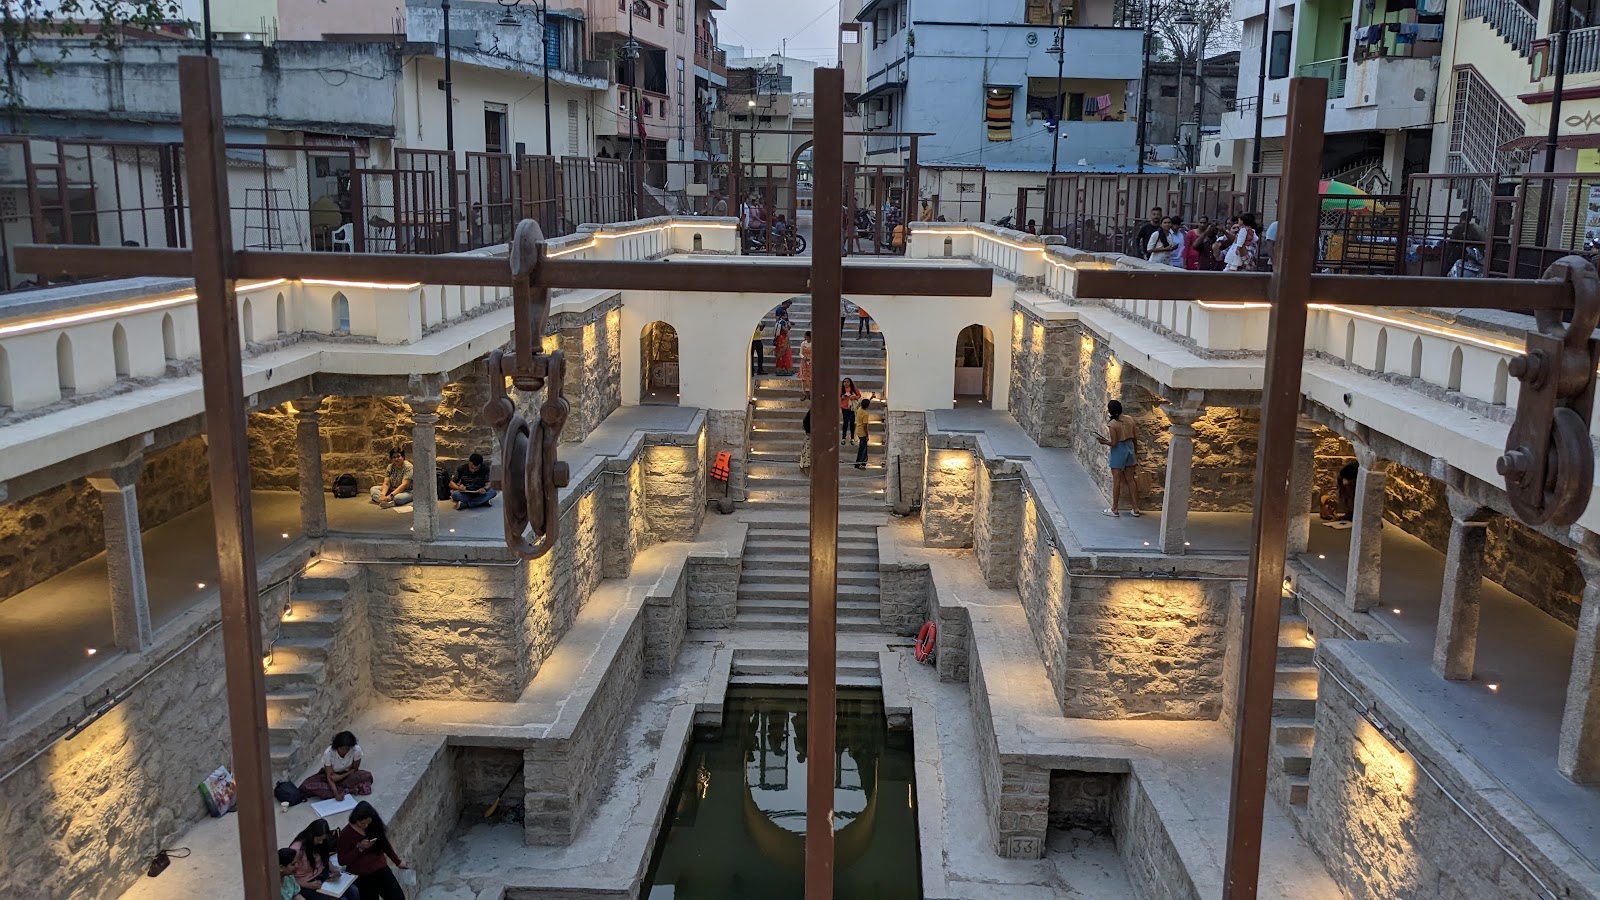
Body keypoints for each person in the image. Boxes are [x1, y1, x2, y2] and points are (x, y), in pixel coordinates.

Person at [337, 801, 410, 900]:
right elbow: (342, 860)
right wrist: (359, 849)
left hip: (380, 869)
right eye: (362, 823)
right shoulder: (346, 834)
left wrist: (398, 862)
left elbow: (385, 844)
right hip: (362, 875)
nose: (365, 826)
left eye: (368, 822)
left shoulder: (373, 826)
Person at [288, 819, 357, 899]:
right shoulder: (296, 849)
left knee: (353, 890)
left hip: (323, 875)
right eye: (318, 840)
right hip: (305, 882)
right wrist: (308, 885)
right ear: (311, 836)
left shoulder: (321, 843)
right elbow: (288, 877)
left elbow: (325, 858)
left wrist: (333, 870)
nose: (321, 842)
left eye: (323, 840)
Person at [1094, 399, 1141, 517]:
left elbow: (1114, 443)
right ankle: (1135, 508)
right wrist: (1135, 451)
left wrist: (1104, 442)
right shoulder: (1129, 419)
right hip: (1130, 448)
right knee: (1131, 480)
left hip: (1119, 451)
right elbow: (1135, 437)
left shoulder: (1112, 424)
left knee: (1117, 480)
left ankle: (1114, 508)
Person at [299, 730, 373, 801]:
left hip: (348, 775)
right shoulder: (329, 753)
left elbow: (355, 768)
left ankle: (345, 790)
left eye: (347, 749)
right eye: (342, 749)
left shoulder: (356, 750)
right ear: (337, 746)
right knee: (307, 785)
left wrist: (341, 777)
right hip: (332, 776)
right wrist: (336, 794)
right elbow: (329, 776)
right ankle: (349, 790)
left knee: (366, 775)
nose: (345, 751)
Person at [854, 396, 879, 469]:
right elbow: (865, 426)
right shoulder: (865, 414)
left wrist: (871, 398)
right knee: (862, 449)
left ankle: (863, 462)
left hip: (858, 430)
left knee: (863, 448)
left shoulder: (859, 409)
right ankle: (859, 463)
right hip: (862, 432)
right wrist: (867, 435)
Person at [840, 377, 862, 444]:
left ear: (850, 382)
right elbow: (839, 396)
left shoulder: (853, 388)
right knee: (845, 423)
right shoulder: (841, 388)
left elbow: (859, 395)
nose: (846, 383)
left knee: (852, 423)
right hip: (844, 408)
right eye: (844, 382)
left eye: (847, 382)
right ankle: (843, 438)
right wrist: (842, 397)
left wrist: (854, 397)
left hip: (852, 408)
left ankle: (852, 438)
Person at [798, 331, 814, 400]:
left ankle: (811, 394)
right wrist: (803, 357)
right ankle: (803, 394)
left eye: (806, 336)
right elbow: (800, 353)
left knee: (810, 379)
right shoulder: (803, 343)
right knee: (803, 379)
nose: (805, 337)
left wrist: (810, 359)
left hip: (811, 362)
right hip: (803, 362)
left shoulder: (813, 344)